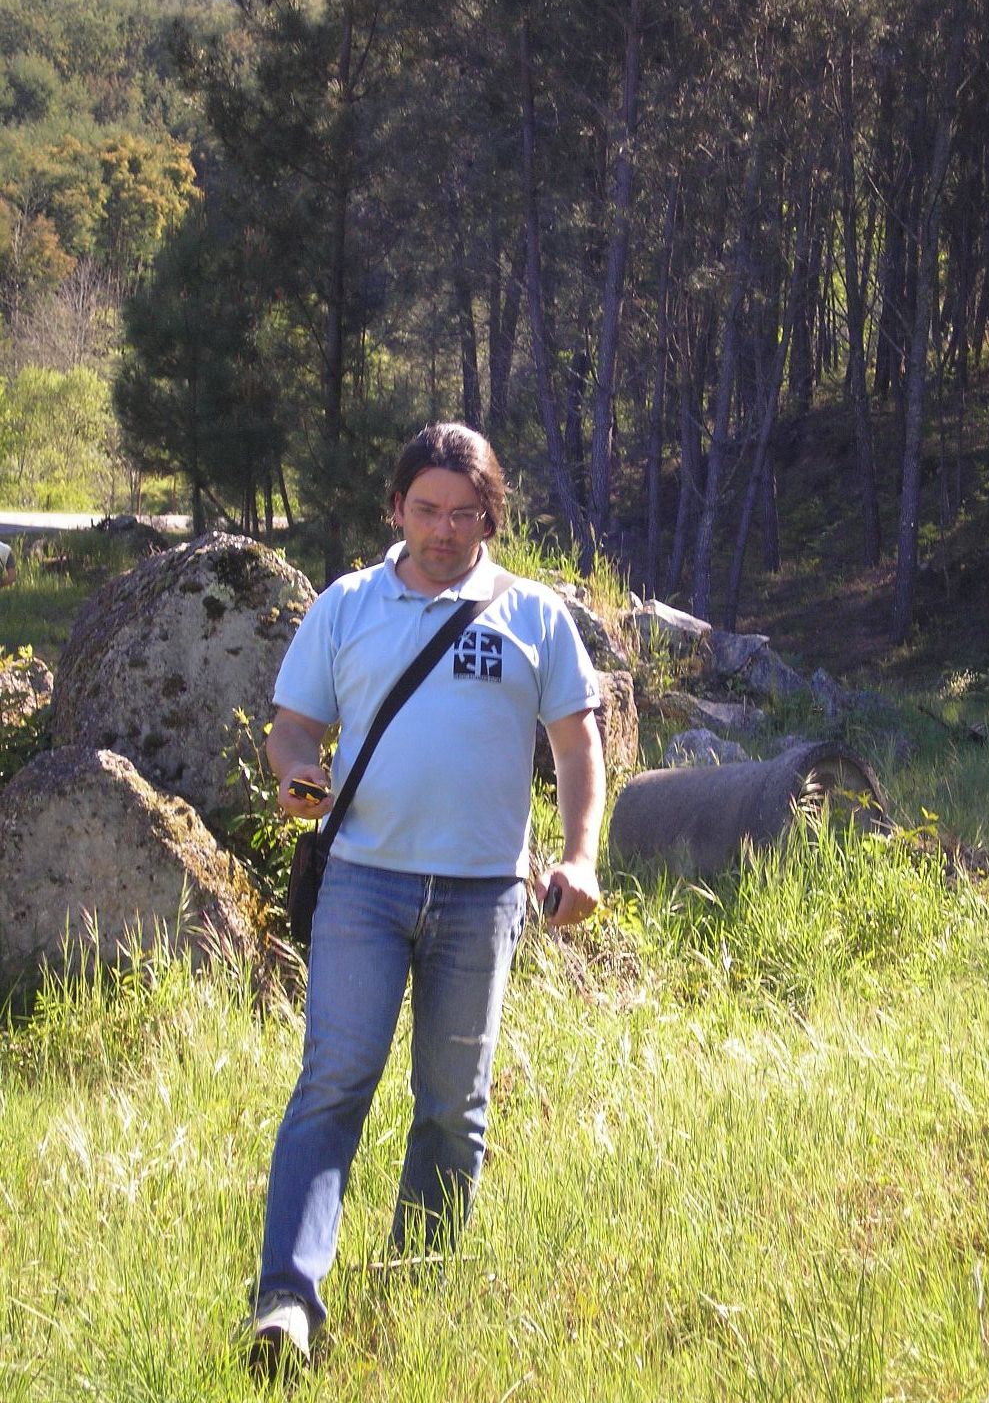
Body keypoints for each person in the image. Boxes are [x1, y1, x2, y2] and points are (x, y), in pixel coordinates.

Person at [246, 423, 605, 1376]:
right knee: (334, 1084)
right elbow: (291, 730)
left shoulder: (534, 616)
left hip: (484, 897)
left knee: (454, 1105)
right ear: (396, 509)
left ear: (490, 517)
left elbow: (577, 748)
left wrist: (580, 858)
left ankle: (412, 1296)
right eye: (427, 509)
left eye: (464, 513)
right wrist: (297, 774)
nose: (444, 529)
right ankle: (286, 1302)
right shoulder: (346, 605)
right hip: (361, 884)